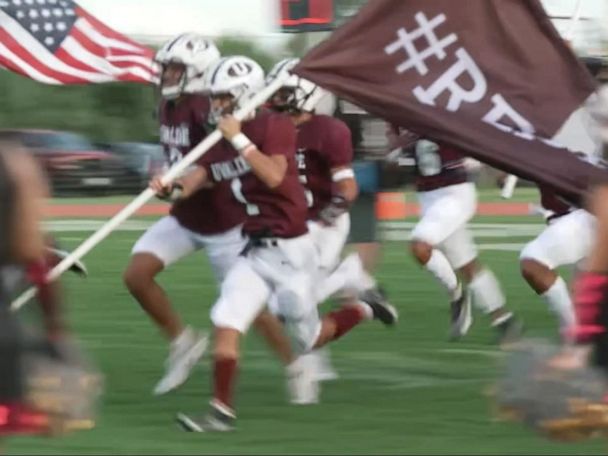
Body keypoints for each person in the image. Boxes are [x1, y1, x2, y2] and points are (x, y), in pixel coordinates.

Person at [149, 55, 397, 431]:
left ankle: (363, 309)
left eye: (222, 98)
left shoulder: (274, 125)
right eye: (214, 98)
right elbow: (202, 174)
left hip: (290, 248)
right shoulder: (223, 136)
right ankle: (221, 412)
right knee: (226, 318)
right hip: (254, 248)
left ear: (245, 95)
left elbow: (274, 175)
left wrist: (238, 138)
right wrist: (172, 188)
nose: (215, 106)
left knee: (309, 336)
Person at [122, 33, 247, 395]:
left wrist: (181, 184)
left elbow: (222, 163)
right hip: (186, 215)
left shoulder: (207, 108)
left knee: (253, 309)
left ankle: (299, 358)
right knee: (136, 275)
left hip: (223, 220)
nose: (167, 75)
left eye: (176, 68)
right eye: (167, 68)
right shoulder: (167, 106)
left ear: (198, 71)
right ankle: (183, 342)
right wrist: (165, 175)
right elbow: (178, 156)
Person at [388, 126, 521, 343]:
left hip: (455, 192)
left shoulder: (442, 103)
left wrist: (498, 170)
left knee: (420, 246)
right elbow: (394, 154)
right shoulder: (398, 113)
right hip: (426, 196)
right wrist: (397, 154)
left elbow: (478, 136)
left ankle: (456, 294)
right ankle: (504, 320)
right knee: (467, 264)